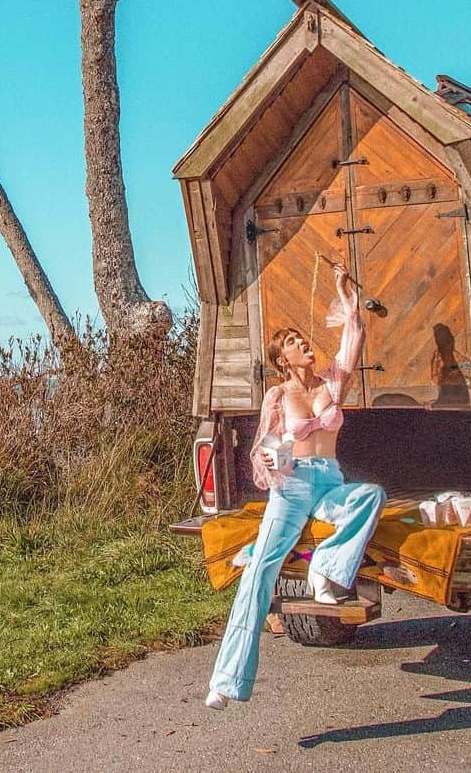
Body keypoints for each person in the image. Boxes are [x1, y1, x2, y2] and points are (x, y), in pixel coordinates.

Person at [205, 262, 386, 709]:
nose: (303, 343)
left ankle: (325, 568)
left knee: (371, 496)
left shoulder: (331, 383)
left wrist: (343, 292)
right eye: (291, 343)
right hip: (292, 486)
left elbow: (354, 335)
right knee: (261, 573)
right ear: (281, 359)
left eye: (302, 339)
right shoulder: (278, 397)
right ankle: (226, 681)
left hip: (330, 484)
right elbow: (265, 449)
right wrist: (271, 458)